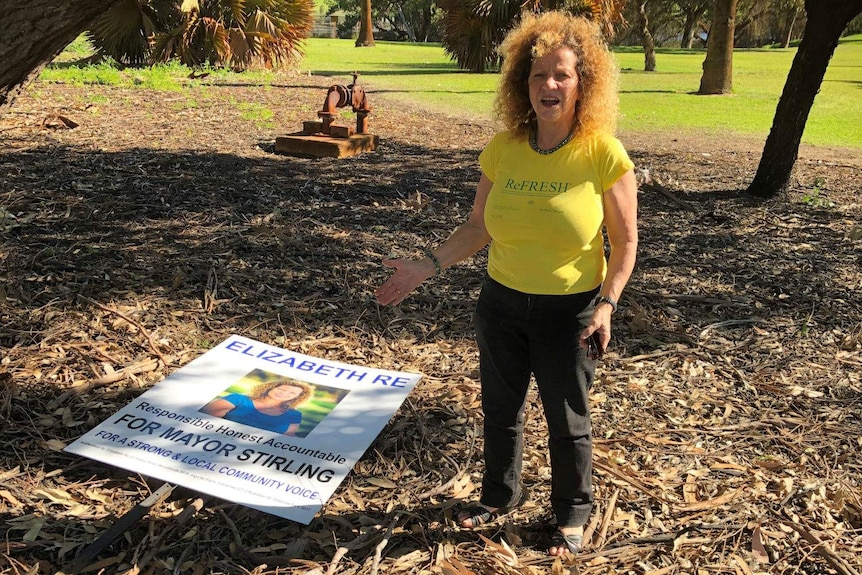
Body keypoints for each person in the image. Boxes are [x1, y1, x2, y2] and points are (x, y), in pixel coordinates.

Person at [375, 11, 637, 556]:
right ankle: (498, 497)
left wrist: (607, 304)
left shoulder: (602, 153)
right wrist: (427, 265)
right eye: (538, 75)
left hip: (571, 310)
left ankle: (572, 513)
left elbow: (626, 243)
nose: (549, 85)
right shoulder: (503, 148)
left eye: (561, 75)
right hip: (500, 303)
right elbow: (477, 227)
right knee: (501, 408)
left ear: (582, 84)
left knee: (568, 419)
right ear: (524, 83)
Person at [200, 380, 313, 436]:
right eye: (281, 389)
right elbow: (203, 419)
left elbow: (287, 440)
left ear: (296, 398)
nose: (283, 393)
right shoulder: (238, 399)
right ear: (270, 388)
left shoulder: (295, 415)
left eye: (292, 393)